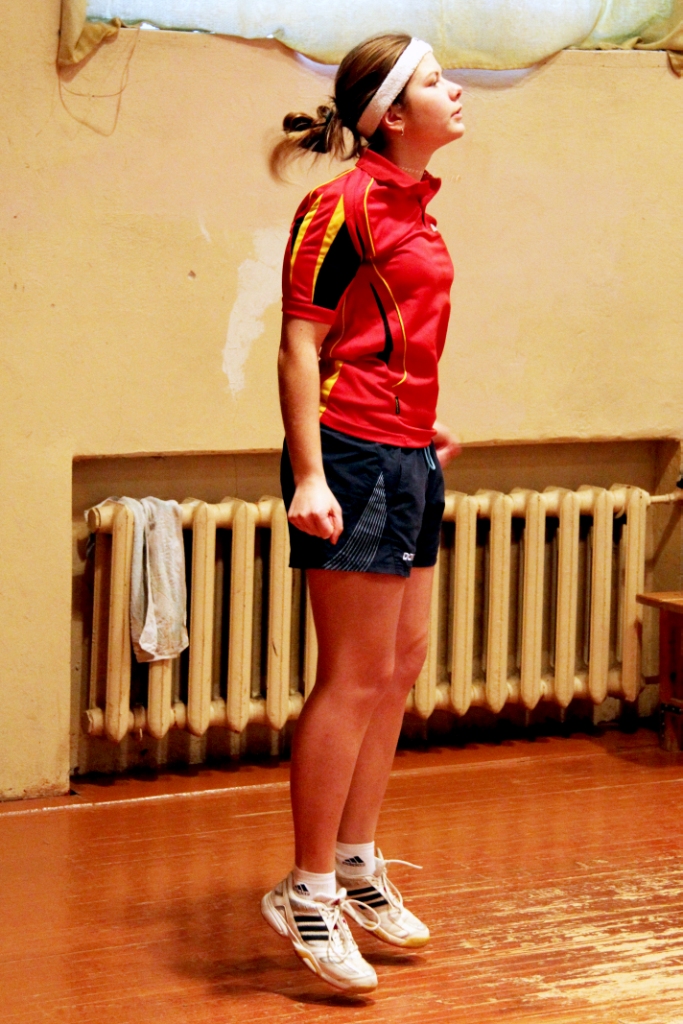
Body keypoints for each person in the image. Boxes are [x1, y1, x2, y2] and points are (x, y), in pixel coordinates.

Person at [261, 33, 464, 994]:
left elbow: (386, 332)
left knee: (398, 669)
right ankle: (305, 892)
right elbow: (299, 343)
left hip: (406, 449)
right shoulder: (338, 203)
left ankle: (354, 861)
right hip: (349, 455)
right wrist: (310, 475)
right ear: (388, 116)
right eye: (432, 81)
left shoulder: (416, 203)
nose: (452, 90)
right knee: (350, 679)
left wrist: (422, 426)